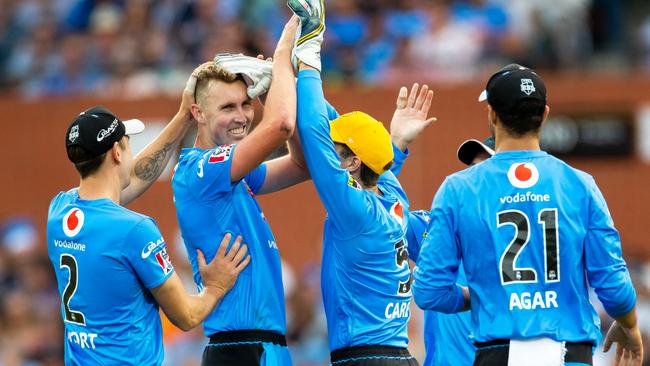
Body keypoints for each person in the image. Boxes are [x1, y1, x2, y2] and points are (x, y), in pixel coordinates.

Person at [412, 64, 643, 366]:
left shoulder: (458, 188)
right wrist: (630, 325)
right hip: (569, 353)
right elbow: (613, 283)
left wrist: (477, 297)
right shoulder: (580, 185)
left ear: (492, 115)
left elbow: (429, 292)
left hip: (497, 352)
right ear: (545, 114)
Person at [47, 72, 250, 365]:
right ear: (117, 152)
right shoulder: (135, 230)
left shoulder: (58, 211)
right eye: (128, 143)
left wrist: (183, 117)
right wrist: (216, 286)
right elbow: (187, 316)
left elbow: (131, 179)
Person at [290, 1, 436, 364]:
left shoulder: (355, 209)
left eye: (338, 151)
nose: (330, 153)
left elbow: (312, 128)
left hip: (364, 360)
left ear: (353, 162)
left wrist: (309, 48)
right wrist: (284, 80)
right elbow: (334, 122)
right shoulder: (391, 197)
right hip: (396, 356)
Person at [171, 17, 307, 366]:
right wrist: (281, 57)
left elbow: (301, 165)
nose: (242, 116)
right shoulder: (202, 169)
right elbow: (280, 124)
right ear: (198, 113)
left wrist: (265, 91)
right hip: (240, 349)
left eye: (246, 104)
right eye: (227, 107)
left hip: (268, 347)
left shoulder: (232, 172)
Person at [406, 137, 494, 366]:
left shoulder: (528, 236)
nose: (473, 180)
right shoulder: (436, 228)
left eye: (485, 171)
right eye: (472, 170)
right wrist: (396, 146)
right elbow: (378, 215)